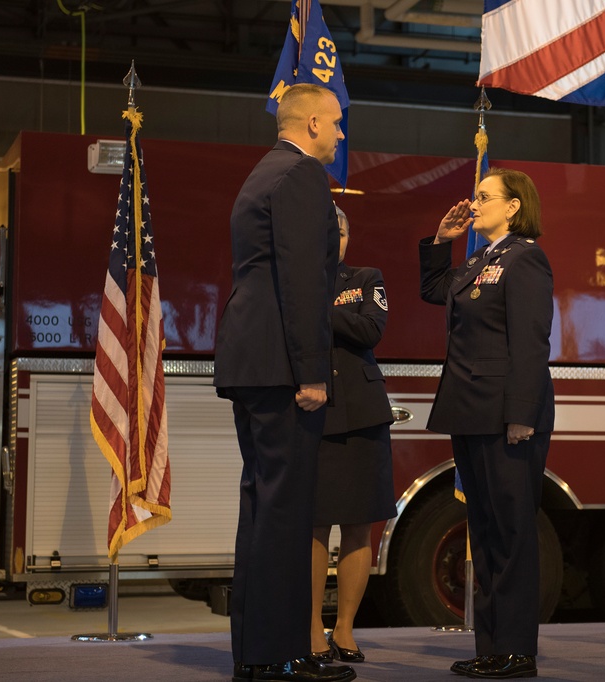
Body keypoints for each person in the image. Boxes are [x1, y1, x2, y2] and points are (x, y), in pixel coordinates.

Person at [214, 83, 356, 682]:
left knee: (263, 507)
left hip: (251, 357)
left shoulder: (261, 174)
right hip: (281, 363)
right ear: (315, 123)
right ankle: (282, 655)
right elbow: (302, 282)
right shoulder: (300, 178)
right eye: (339, 124)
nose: (342, 135)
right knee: (287, 511)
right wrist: (312, 372)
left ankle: (258, 652)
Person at [419, 168, 555, 680]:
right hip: (471, 410)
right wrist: (441, 240)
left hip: (506, 415)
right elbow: (437, 290)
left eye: (484, 197)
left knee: (512, 533)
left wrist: (521, 414)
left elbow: (531, 343)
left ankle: (516, 650)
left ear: (513, 206)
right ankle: (491, 646)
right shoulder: (480, 259)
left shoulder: (526, 259)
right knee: (485, 531)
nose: (473, 204)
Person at [310, 206, 396, 664]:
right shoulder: (293, 281)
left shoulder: (366, 278)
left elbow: (369, 329)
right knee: (314, 525)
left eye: (341, 230)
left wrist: (318, 306)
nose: (335, 238)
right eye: (327, 231)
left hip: (363, 415)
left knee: (359, 526)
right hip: (314, 416)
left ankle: (344, 629)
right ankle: (311, 631)